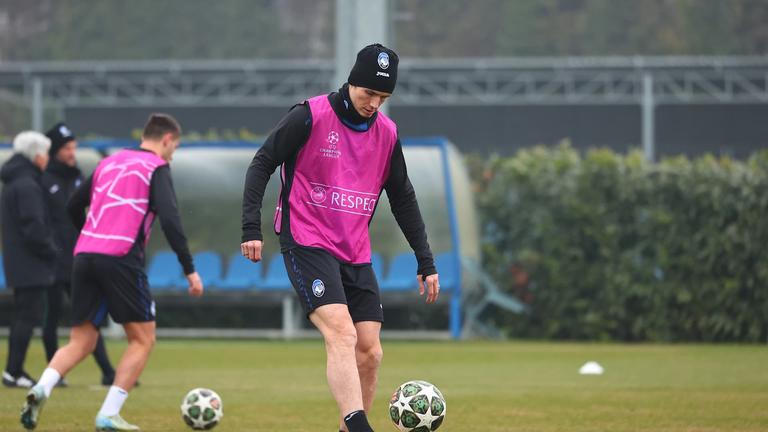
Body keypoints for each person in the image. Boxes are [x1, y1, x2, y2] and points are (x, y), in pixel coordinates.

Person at [241, 43, 441, 432]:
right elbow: (262, 162)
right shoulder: (308, 115)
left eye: (383, 97)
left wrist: (425, 259)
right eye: (369, 93)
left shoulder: (386, 133)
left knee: (370, 352)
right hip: (306, 239)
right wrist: (252, 227)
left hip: (354, 249)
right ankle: (360, 425)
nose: (374, 103)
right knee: (342, 333)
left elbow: (403, 197)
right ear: (352, 82)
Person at [21, 113, 204, 431]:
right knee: (143, 339)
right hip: (121, 256)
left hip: (85, 254)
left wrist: (90, 235)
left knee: (81, 340)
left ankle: (42, 387)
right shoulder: (157, 168)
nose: (173, 152)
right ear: (166, 140)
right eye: (175, 145)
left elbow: (71, 206)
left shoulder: (110, 162)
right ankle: (109, 413)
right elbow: (171, 220)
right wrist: (189, 269)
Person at [41, 122, 118, 387]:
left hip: (78, 260)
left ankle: (109, 372)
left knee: (89, 318)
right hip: (51, 262)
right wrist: (49, 249)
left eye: (73, 146)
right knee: (51, 318)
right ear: (54, 150)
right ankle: (55, 375)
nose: (72, 152)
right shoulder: (43, 180)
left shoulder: (78, 177)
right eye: (66, 148)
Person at [1, 131, 56, 389]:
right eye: (45, 153)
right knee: (28, 315)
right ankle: (13, 371)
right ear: (36, 155)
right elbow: (33, 225)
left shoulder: (15, 181)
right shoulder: (27, 184)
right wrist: (51, 250)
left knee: (23, 315)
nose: (47, 158)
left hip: (18, 259)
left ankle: (14, 370)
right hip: (30, 261)